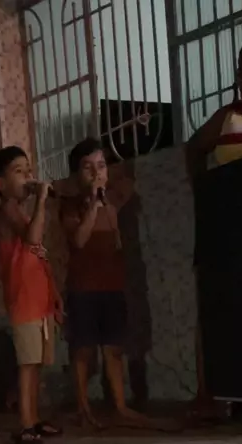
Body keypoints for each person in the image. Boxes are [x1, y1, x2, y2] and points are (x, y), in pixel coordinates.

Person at [60, 138, 144, 428]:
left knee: (114, 349)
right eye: (88, 167)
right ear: (77, 175)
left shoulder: (114, 203)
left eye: (101, 166)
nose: (97, 173)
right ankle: (83, 407)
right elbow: (79, 241)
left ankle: (120, 406)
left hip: (112, 287)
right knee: (83, 351)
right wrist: (94, 206)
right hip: (83, 289)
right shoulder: (70, 207)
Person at [0, 146, 63, 444]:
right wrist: (41, 199)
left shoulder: (22, 212)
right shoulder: (7, 210)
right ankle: (26, 423)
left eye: (29, 170)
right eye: (19, 172)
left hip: (39, 300)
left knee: (37, 362)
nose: (29, 177)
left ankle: (35, 418)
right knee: (28, 365)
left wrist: (54, 294)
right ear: (0, 184)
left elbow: (38, 255)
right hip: (24, 301)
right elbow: (32, 238)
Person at [186, 36, 242, 410]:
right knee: (230, 308)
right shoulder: (226, 117)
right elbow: (194, 149)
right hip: (233, 231)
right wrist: (205, 193)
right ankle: (223, 396)